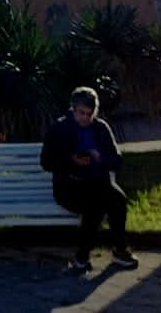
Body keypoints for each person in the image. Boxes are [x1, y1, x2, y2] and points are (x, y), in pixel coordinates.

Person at [40, 86, 136, 270]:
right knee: (96, 206)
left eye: (89, 114)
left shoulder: (100, 128)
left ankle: (119, 249)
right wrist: (72, 161)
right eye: (81, 113)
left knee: (118, 200)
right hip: (71, 186)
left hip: (99, 182)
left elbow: (116, 160)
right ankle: (82, 256)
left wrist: (100, 158)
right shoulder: (59, 129)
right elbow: (46, 162)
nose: (85, 118)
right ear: (73, 110)